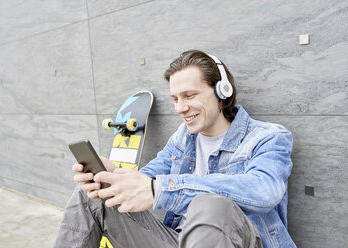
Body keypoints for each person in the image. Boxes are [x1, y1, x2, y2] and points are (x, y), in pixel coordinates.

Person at [54, 50, 296, 248]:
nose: (181, 108)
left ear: (223, 92)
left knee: (211, 205)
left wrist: (165, 189)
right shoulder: (183, 138)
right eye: (175, 99)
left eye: (189, 95)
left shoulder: (268, 137)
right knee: (94, 194)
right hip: (176, 240)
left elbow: (264, 191)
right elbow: (147, 179)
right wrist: (114, 175)